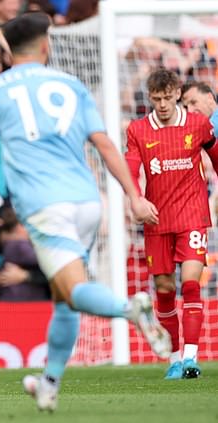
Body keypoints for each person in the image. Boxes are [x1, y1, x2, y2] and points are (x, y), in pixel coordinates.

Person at [0, 13, 170, 412]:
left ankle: (130, 308)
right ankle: (50, 383)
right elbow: (104, 144)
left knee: (74, 292)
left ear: (8, 50)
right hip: (88, 202)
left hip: (45, 207)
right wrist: (133, 195)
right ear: (45, 46)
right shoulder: (71, 84)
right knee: (63, 299)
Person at [126, 70, 218, 380]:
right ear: (149, 98)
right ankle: (175, 359)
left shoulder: (198, 124)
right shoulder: (138, 130)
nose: (163, 105)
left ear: (177, 93)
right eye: (156, 99)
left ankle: (192, 357)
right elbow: (131, 166)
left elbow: (216, 155)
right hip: (157, 219)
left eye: (167, 98)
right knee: (165, 291)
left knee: (191, 284)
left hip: (192, 215)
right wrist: (136, 198)